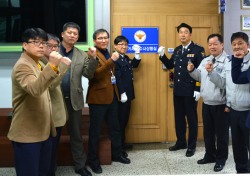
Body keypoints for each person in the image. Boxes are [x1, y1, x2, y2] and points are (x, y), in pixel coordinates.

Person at [7, 28, 63, 176]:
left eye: (43, 42)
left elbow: (48, 86)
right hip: (28, 133)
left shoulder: (37, 63)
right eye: (35, 42)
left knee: (43, 171)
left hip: (42, 130)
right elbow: (35, 89)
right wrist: (52, 65)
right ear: (25, 45)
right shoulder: (22, 65)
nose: (41, 46)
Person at [86, 29, 131, 174]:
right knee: (95, 131)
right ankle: (93, 161)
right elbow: (95, 75)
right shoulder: (92, 54)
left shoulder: (108, 52)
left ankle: (117, 154)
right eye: (100, 38)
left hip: (112, 96)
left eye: (105, 38)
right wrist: (112, 60)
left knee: (115, 128)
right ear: (94, 40)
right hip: (98, 99)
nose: (103, 40)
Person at [157, 23, 205, 157]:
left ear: (190, 34)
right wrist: (162, 55)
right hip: (178, 90)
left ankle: (191, 146)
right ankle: (181, 142)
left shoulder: (198, 50)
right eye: (180, 32)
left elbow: (201, 71)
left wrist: (197, 88)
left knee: (191, 119)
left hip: (190, 91)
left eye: (185, 32)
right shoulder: (178, 50)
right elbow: (171, 65)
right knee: (179, 118)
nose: (183, 34)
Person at [59, 22, 99, 176]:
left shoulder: (81, 54)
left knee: (76, 135)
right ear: (62, 34)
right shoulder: (53, 51)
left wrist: (93, 59)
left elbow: (88, 74)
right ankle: (48, 166)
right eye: (69, 32)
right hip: (54, 100)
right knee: (51, 135)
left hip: (74, 99)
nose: (72, 35)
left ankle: (80, 165)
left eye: (75, 34)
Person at [187, 34, 229, 172]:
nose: (212, 47)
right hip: (207, 102)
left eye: (215, 44)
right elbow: (199, 76)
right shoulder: (205, 60)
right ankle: (210, 155)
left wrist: (211, 72)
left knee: (221, 134)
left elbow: (223, 84)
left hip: (221, 104)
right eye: (209, 44)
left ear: (222, 45)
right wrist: (192, 70)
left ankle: (221, 159)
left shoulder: (228, 61)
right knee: (208, 133)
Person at [39, 33, 71, 176]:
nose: (53, 49)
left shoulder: (51, 62)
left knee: (52, 151)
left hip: (57, 114)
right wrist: (63, 66)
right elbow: (51, 85)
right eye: (49, 45)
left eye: (56, 46)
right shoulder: (41, 63)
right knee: (47, 152)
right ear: (42, 46)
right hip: (47, 117)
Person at [114, 35, 141, 151]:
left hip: (127, 95)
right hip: (121, 96)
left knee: (124, 121)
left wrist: (137, 54)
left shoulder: (124, 58)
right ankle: (119, 148)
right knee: (120, 122)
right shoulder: (115, 59)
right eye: (121, 44)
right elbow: (117, 78)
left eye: (125, 44)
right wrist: (122, 93)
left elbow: (133, 64)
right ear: (115, 46)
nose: (124, 46)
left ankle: (122, 144)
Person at [229, 32, 250, 173]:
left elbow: (238, 78)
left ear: (248, 45)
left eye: (240, 43)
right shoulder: (232, 60)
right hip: (235, 110)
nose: (237, 47)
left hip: (248, 111)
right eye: (234, 44)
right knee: (238, 146)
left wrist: (237, 61)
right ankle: (241, 171)